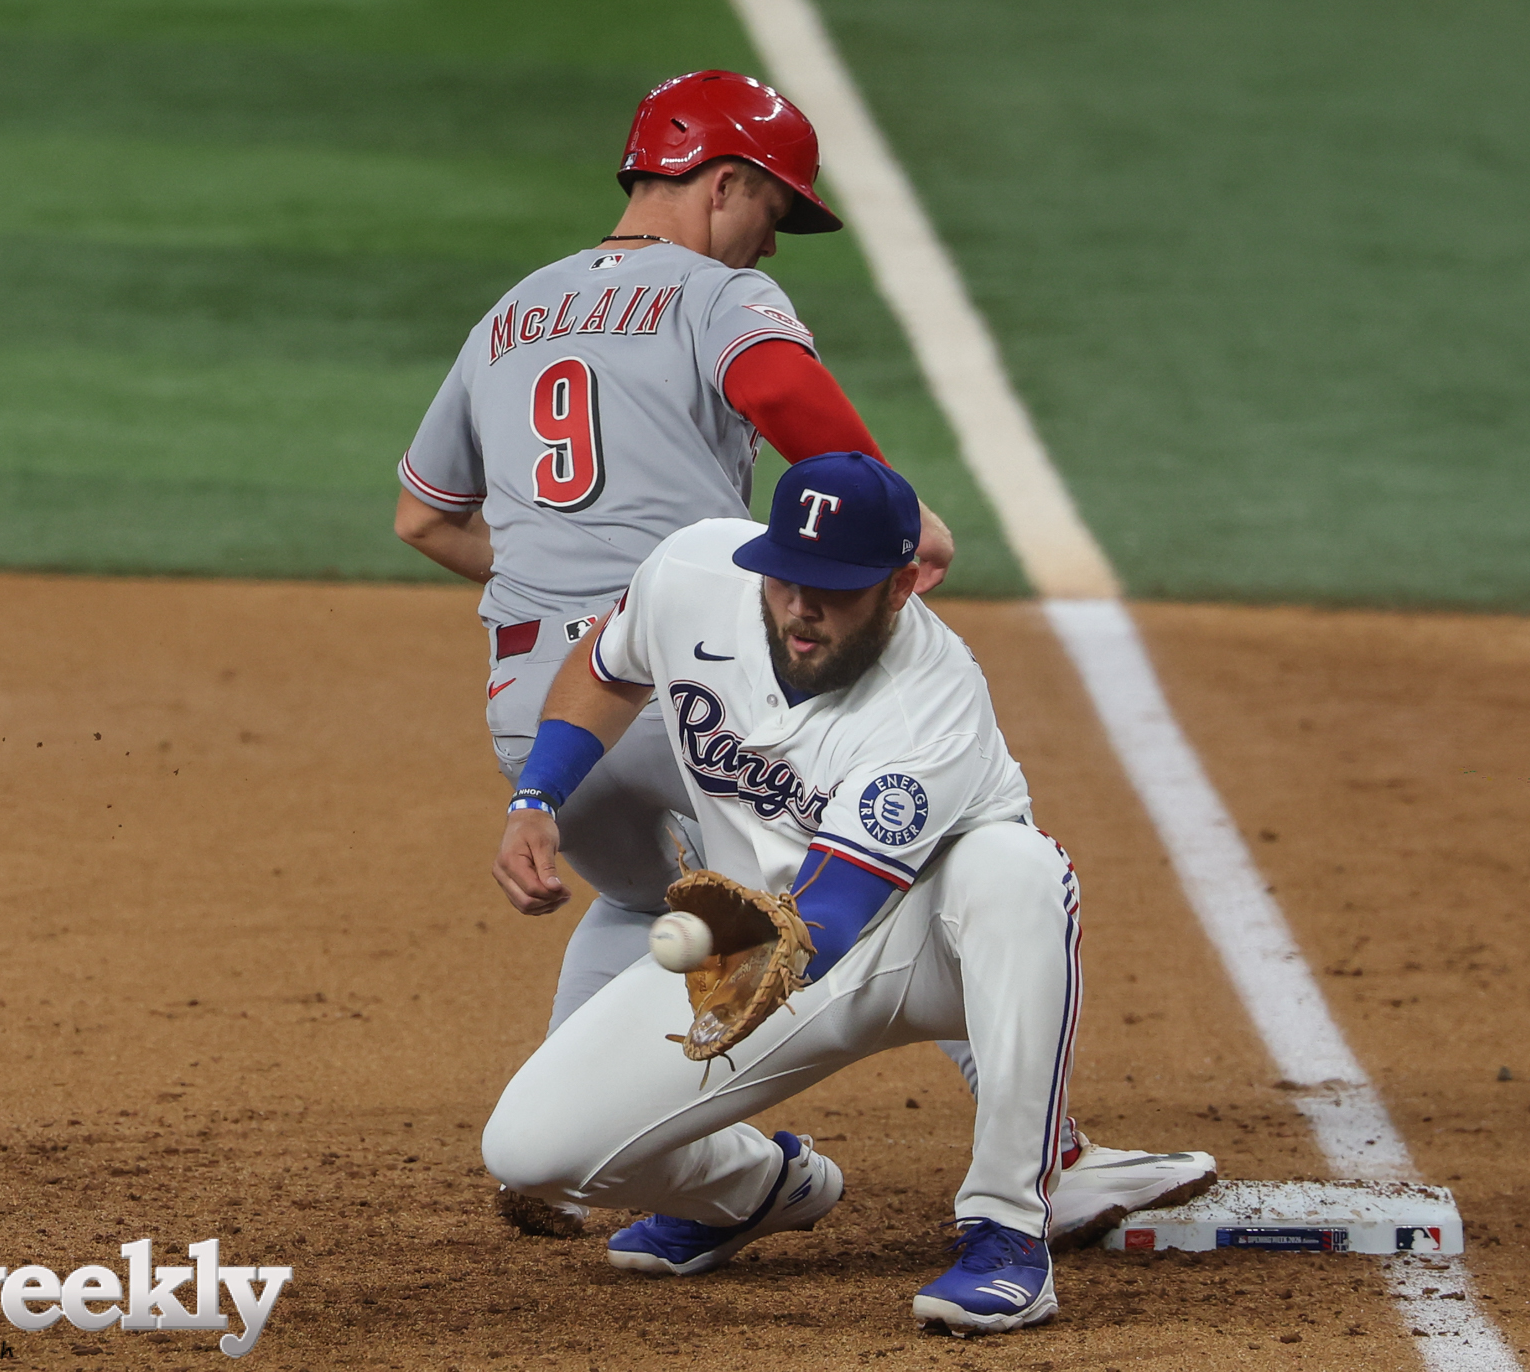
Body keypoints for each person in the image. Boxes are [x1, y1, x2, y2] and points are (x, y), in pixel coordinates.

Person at [397, 72, 1209, 1242]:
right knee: (919, 859)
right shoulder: (717, 293)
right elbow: (779, 388)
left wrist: (556, 587)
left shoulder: (508, 314)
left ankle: (593, 1164)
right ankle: (1051, 1162)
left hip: (537, 708)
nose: (772, 241)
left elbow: (423, 518)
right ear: (721, 182)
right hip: (690, 678)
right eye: (773, 208)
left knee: (646, 897)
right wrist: (897, 512)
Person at [484, 454, 1099, 1333]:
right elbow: (610, 667)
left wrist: (728, 946)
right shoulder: (693, 570)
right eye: (786, 578)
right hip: (760, 942)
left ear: (899, 586)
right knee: (528, 1151)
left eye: (835, 589)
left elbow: (834, 911)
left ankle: (1008, 1229)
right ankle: (752, 1190)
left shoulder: (931, 700)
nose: (802, 608)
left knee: (1017, 869)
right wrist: (537, 797)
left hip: (930, 947)